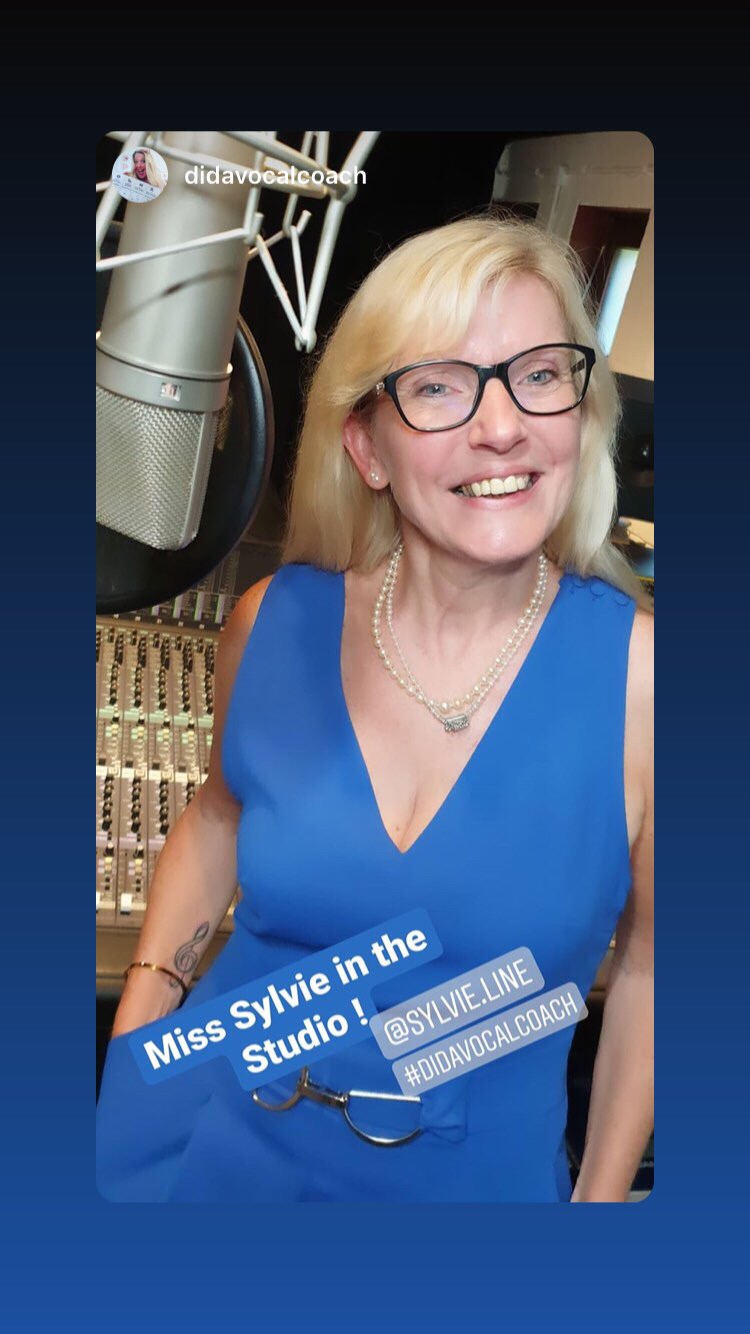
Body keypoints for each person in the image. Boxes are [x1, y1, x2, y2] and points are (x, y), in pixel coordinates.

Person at [96, 213, 654, 1203]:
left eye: (539, 374)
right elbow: (215, 818)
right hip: (202, 1157)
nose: (501, 425)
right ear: (368, 446)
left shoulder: (648, 682)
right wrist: (145, 1021)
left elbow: (656, 968)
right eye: (438, 385)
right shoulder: (273, 622)